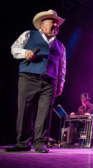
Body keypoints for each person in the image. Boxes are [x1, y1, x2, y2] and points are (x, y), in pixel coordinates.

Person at [4, 10, 66, 153]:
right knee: (25, 110)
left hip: (50, 81)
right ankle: (23, 143)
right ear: (43, 24)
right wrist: (24, 53)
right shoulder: (28, 34)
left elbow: (62, 67)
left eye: (57, 24)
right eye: (53, 22)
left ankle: (40, 143)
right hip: (28, 77)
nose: (56, 25)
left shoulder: (60, 45)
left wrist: (61, 83)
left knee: (45, 113)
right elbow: (14, 48)